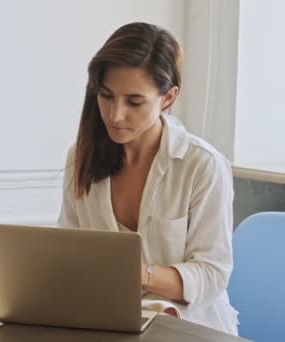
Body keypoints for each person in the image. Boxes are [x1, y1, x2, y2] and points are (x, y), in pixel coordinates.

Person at [58, 22, 238, 334]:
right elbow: (69, 248)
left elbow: (212, 274)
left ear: (168, 98)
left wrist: (136, 274)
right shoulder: (80, 158)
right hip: (106, 325)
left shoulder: (202, 165)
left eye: (134, 102)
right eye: (106, 96)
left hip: (188, 331)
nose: (115, 115)